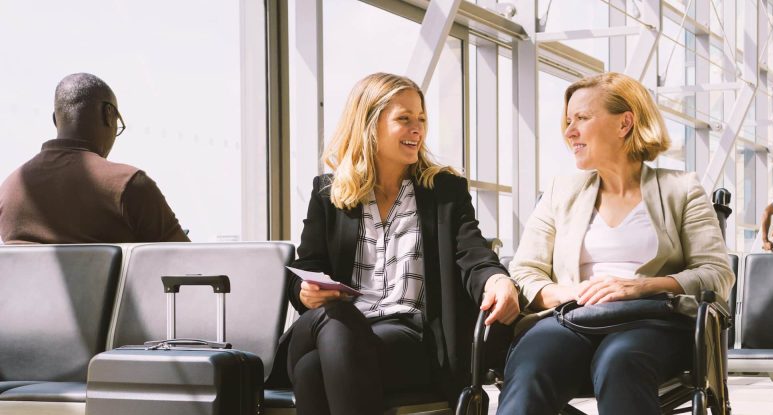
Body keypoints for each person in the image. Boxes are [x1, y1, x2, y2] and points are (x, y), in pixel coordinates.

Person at [280, 73, 519, 415]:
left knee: (311, 371)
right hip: (331, 326)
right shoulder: (329, 194)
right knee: (337, 320)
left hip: (407, 337)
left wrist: (497, 280)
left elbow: (473, 253)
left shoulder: (444, 192)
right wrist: (305, 292)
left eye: (421, 119)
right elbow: (306, 266)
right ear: (369, 124)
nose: (417, 129)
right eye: (404, 119)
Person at [498, 72, 734, 415]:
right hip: (571, 318)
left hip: (651, 322)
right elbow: (524, 271)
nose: (569, 131)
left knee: (621, 360)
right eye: (568, 121)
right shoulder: (561, 191)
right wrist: (571, 293)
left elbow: (717, 274)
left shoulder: (682, 189)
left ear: (625, 123)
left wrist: (640, 287)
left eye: (582, 118)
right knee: (533, 364)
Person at [0, 73, 188, 244]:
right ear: (109, 114)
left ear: (56, 120)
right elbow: (187, 262)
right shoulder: (127, 185)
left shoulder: (8, 190)